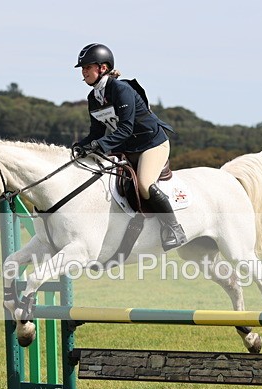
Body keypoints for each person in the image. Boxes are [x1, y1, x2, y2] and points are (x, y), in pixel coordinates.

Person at [72, 43, 187, 251]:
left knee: (144, 184)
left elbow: (125, 128)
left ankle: (174, 228)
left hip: (152, 144)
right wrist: (81, 146)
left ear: (103, 68)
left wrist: (99, 145)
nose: (84, 72)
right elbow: (97, 133)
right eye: (83, 68)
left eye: (88, 67)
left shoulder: (121, 90)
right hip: (128, 148)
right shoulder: (93, 98)